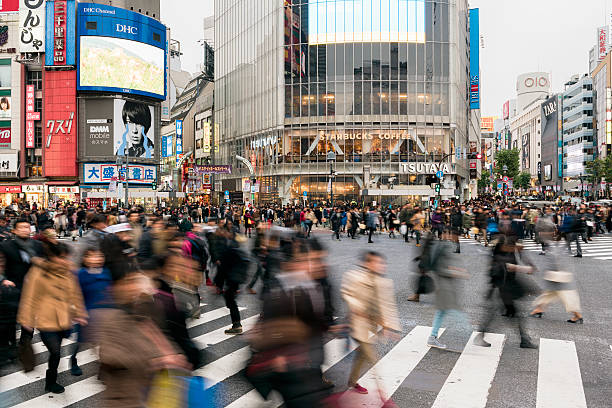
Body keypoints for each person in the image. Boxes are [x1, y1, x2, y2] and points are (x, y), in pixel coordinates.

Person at [17, 242, 88, 394]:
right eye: (62, 257)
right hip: (46, 319)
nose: (65, 261)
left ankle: (52, 378)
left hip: (64, 318)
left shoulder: (69, 272)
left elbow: (75, 294)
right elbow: (29, 297)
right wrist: (27, 319)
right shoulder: (38, 272)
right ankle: (51, 381)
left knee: (57, 351)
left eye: (67, 257)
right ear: (52, 257)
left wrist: (80, 314)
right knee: (55, 352)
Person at [341, 251, 400, 395]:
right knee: (372, 358)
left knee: (361, 355)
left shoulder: (385, 283)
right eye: (375, 262)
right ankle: (383, 397)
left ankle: (352, 381)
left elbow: (388, 306)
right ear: (367, 264)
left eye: (382, 263)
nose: (380, 266)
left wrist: (391, 326)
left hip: (372, 325)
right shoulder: (354, 277)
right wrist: (356, 305)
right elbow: (346, 293)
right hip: (357, 322)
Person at [0, 219, 40, 363]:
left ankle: (24, 346)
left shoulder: (37, 245)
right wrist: (3, 279)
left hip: (32, 290)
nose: (24, 230)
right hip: (12, 290)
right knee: (10, 323)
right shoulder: (6, 246)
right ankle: (9, 348)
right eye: (21, 227)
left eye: (27, 227)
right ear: (14, 231)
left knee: (29, 322)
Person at [70, 248, 113, 376]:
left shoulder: (106, 272)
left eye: (100, 256)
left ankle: (103, 368)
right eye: (93, 256)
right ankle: (73, 361)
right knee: (81, 341)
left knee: (104, 341)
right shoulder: (80, 274)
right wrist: (78, 313)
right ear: (85, 259)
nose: (97, 259)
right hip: (86, 312)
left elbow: (110, 291)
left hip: (104, 312)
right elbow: (74, 294)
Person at [426, 232, 470, 349]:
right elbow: (440, 269)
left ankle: (432, 337)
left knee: (441, 311)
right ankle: (471, 334)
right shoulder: (443, 247)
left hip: (441, 284)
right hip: (444, 286)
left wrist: (454, 269)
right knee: (455, 310)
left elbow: (442, 266)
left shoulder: (442, 245)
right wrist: (458, 273)